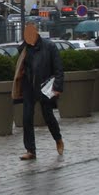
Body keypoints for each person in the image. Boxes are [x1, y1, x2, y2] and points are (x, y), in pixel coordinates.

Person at [11, 22, 64, 160]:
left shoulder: (49, 47)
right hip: (28, 86)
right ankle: (30, 150)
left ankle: (58, 138)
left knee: (48, 116)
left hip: (45, 86)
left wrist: (57, 87)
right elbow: (21, 67)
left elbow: (58, 69)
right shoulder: (25, 48)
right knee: (27, 117)